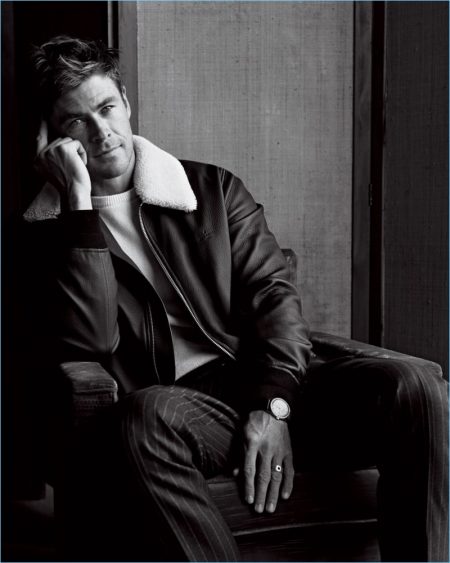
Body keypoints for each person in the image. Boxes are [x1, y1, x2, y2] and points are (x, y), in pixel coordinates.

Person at [18, 36, 447, 561]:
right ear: (52, 140)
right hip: (181, 413)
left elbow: (275, 300)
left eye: (106, 108)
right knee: (144, 417)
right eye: (76, 121)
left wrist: (274, 408)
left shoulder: (212, 191)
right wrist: (78, 207)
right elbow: (92, 339)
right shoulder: (45, 236)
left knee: (416, 384)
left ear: (126, 102)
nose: (101, 131)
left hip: (268, 384)